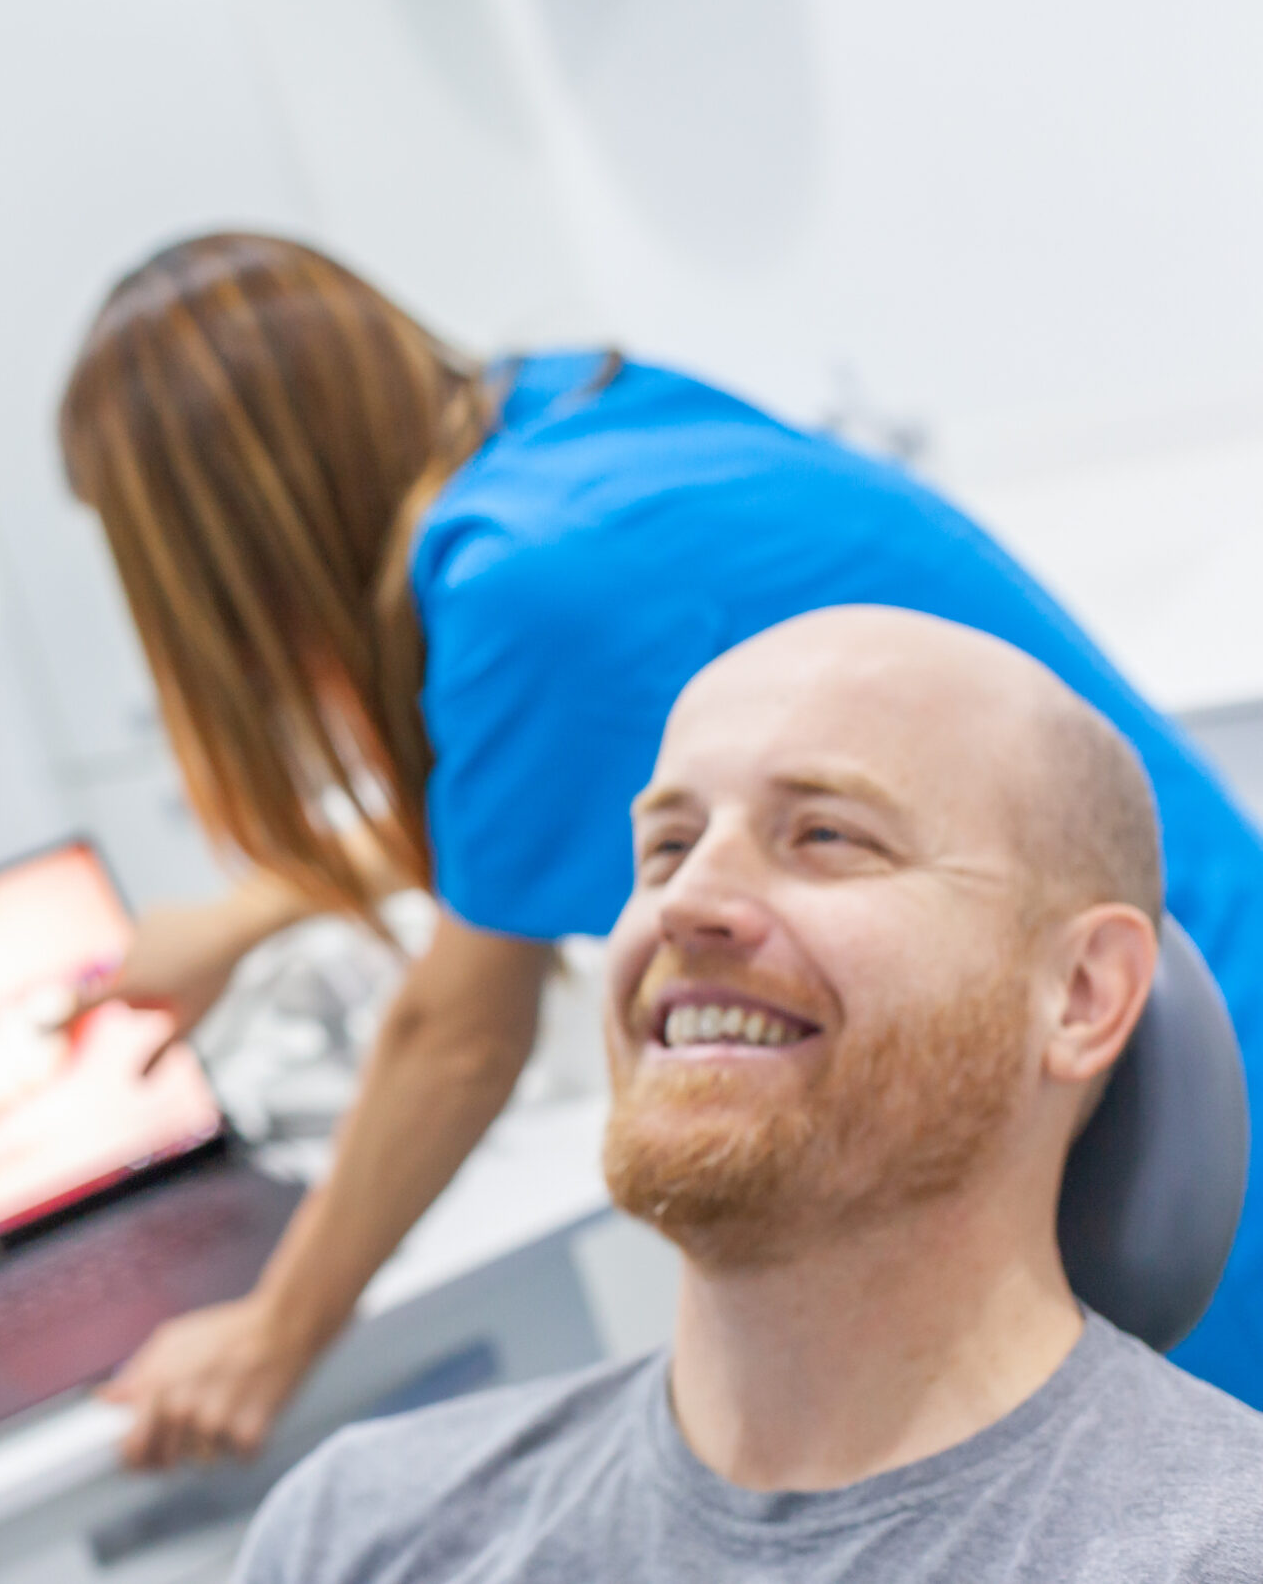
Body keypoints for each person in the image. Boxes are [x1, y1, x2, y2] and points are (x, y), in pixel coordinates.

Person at [62, 233, 1263, 1467]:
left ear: (225, 547)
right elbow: (526, 789)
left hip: (1154, 1093)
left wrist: (271, 1334)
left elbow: (461, 1037)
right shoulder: (573, 415)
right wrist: (252, 914)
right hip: (1182, 967)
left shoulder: (520, 586)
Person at [233, 607, 1263, 1583]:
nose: (684, 905)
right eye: (666, 848)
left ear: (1080, 995)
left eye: (825, 836)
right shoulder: (360, 1533)